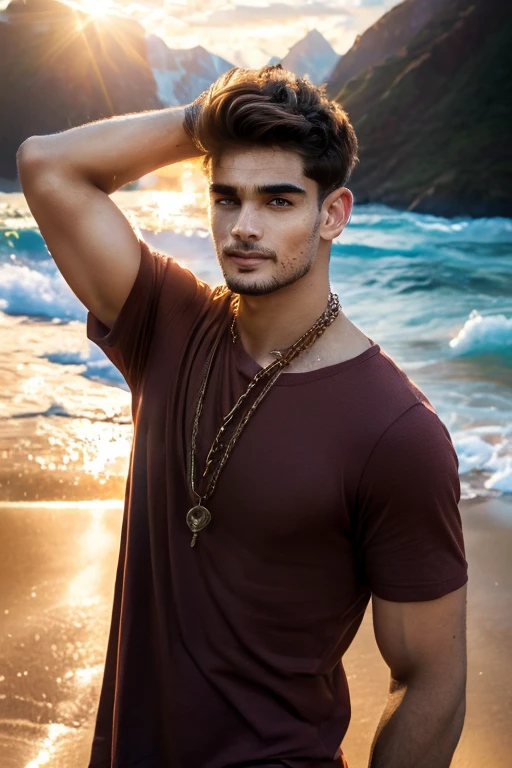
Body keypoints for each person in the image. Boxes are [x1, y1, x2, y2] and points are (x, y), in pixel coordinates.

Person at [17, 65, 468, 768]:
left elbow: (431, 681)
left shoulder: (396, 432)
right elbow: (47, 165)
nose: (244, 227)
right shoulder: (168, 323)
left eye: (279, 201)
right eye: (226, 199)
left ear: (333, 214)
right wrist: (202, 120)